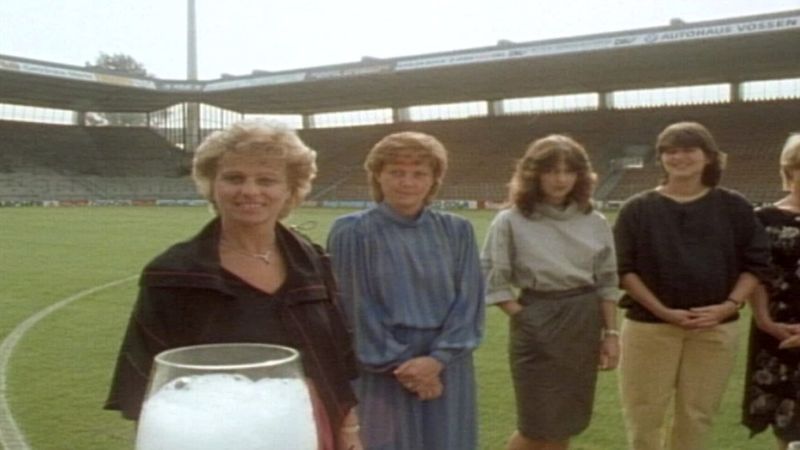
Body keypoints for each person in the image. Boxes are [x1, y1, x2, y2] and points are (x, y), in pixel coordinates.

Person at [104, 120, 362, 450]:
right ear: (212, 185)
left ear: (289, 191)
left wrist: (349, 427)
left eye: (266, 180)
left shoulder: (312, 262)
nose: (250, 191)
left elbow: (337, 354)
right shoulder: (173, 274)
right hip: (211, 432)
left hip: (303, 422)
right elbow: (146, 381)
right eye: (234, 178)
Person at [614, 121, 771, 450]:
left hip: (714, 330)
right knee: (644, 415)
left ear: (709, 157)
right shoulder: (637, 209)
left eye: (688, 150)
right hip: (649, 328)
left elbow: (755, 264)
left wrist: (728, 306)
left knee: (697, 415)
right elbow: (624, 270)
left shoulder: (734, 207)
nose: (679, 157)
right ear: (661, 158)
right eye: (670, 151)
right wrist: (663, 311)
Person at [326, 131, 484, 450]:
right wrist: (407, 367)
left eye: (419, 173)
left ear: (433, 180)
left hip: (447, 365)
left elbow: (470, 303)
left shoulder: (458, 231)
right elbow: (355, 309)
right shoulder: (353, 231)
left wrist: (437, 361)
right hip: (382, 368)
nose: (407, 182)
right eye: (396, 172)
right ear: (378, 176)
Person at [481, 134, 621, 450]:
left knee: (565, 422)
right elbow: (493, 277)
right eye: (551, 171)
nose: (560, 180)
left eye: (568, 171)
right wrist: (525, 317)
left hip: (584, 321)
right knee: (535, 426)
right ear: (533, 174)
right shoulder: (511, 220)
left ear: (581, 176)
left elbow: (607, 281)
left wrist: (611, 334)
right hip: (536, 316)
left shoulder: (594, 220)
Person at [742, 134, 800, 450]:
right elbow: (757, 274)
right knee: (786, 417)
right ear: (788, 171)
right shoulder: (763, 219)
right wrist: (765, 321)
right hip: (776, 327)